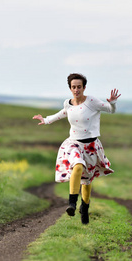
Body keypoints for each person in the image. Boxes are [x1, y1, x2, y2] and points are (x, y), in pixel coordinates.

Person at [32, 73, 121, 224]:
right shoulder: (68, 103)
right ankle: (72, 204)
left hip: (91, 146)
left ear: (84, 87)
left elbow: (110, 110)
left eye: (79, 87)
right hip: (74, 143)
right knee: (77, 166)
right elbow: (62, 114)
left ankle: (84, 208)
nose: (76, 90)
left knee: (86, 181)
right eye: (73, 87)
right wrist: (45, 120)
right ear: (70, 88)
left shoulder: (91, 101)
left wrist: (112, 103)